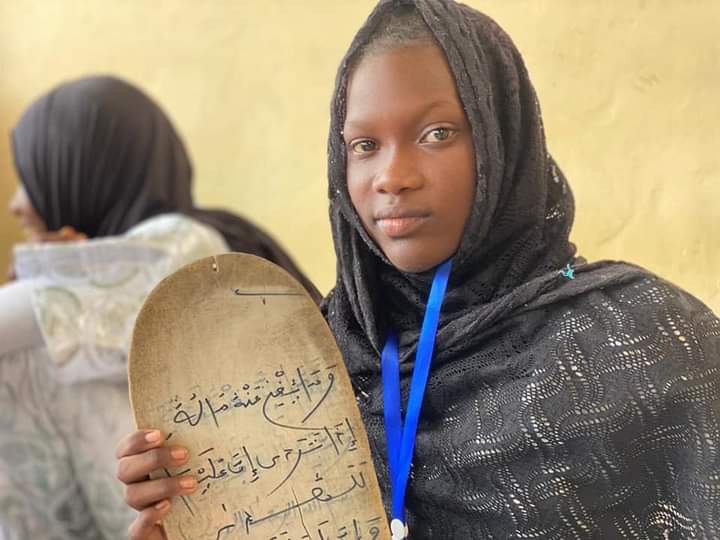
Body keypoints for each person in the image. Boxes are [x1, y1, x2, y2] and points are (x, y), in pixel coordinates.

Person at [115, 1, 720, 538]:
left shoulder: (650, 348)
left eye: (437, 133)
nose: (392, 176)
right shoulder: (304, 364)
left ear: (502, 139)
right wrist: (189, 516)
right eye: (364, 146)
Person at [0, 75, 319, 540]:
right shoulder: (215, 233)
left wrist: (46, 281)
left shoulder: (186, 242)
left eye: (29, 178)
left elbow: (19, 321)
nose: (17, 204)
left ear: (82, 168)